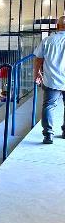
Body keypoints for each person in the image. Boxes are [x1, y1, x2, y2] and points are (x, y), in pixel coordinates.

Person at [34, 16, 65, 144]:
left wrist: (37, 74)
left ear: (57, 26)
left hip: (51, 80)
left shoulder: (47, 40)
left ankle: (48, 135)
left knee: (48, 106)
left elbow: (38, 60)